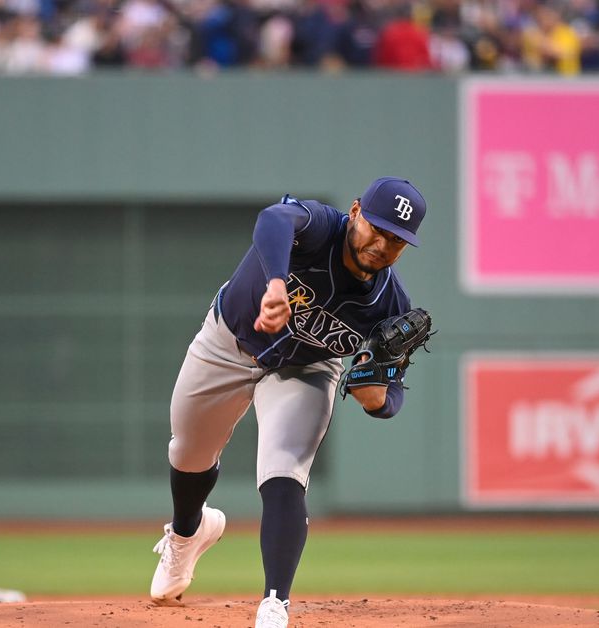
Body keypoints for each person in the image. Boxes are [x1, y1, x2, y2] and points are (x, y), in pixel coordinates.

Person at [148, 177, 428, 628]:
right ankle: (187, 533)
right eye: (376, 228)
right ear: (355, 211)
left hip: (305, 369)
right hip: (229, 341)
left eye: (397, 240)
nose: (381, 244)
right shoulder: (320, 226)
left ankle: (274, 602)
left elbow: (389, 396)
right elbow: (274, 220)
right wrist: (276, 284)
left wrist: (376, 400)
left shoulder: (390, 305)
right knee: (188, 451)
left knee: (284, 470)